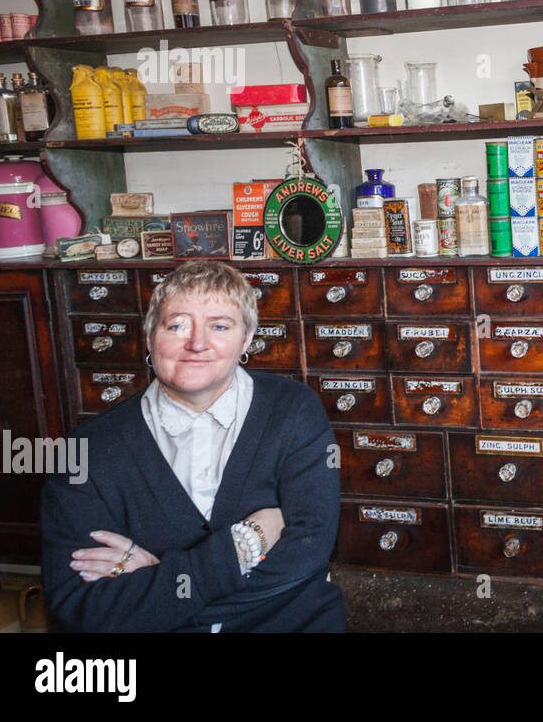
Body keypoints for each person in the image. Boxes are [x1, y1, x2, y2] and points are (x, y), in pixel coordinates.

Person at [41, 261, 345, 632]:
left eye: (219, 326)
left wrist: (160, 582)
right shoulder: (85, 452)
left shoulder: (294, 410)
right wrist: (245, 543)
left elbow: (307, 557)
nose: (197, 343)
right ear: (151, 334)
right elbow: (79, 605)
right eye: (177, 325)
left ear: (246, 339)